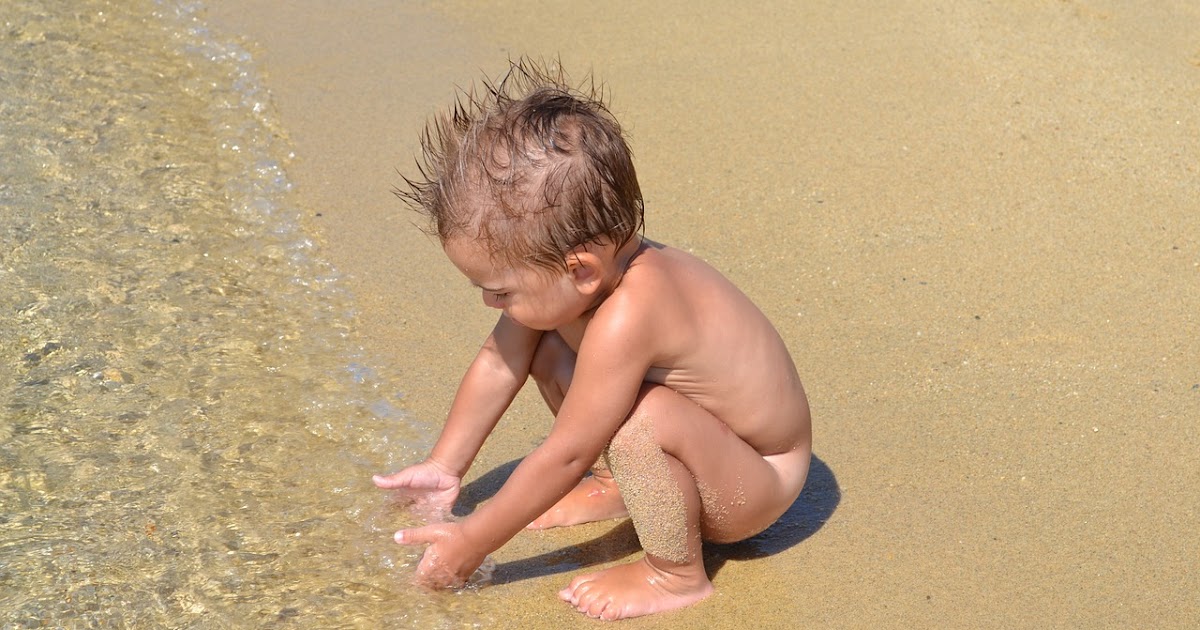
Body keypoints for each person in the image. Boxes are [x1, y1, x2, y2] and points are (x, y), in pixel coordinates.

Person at [374, 59, 812, 621]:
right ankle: (619, 486)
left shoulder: (634, 309)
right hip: (706, 446)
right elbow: (498, 360)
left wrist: (473, 541)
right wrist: (445, 465)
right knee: (547, 343)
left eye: (499, 290)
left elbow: (568, 451)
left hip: (757, 481)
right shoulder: (576, 275)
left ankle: (674, 574)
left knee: (638, 425)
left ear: (581, 269)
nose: (489, 303)